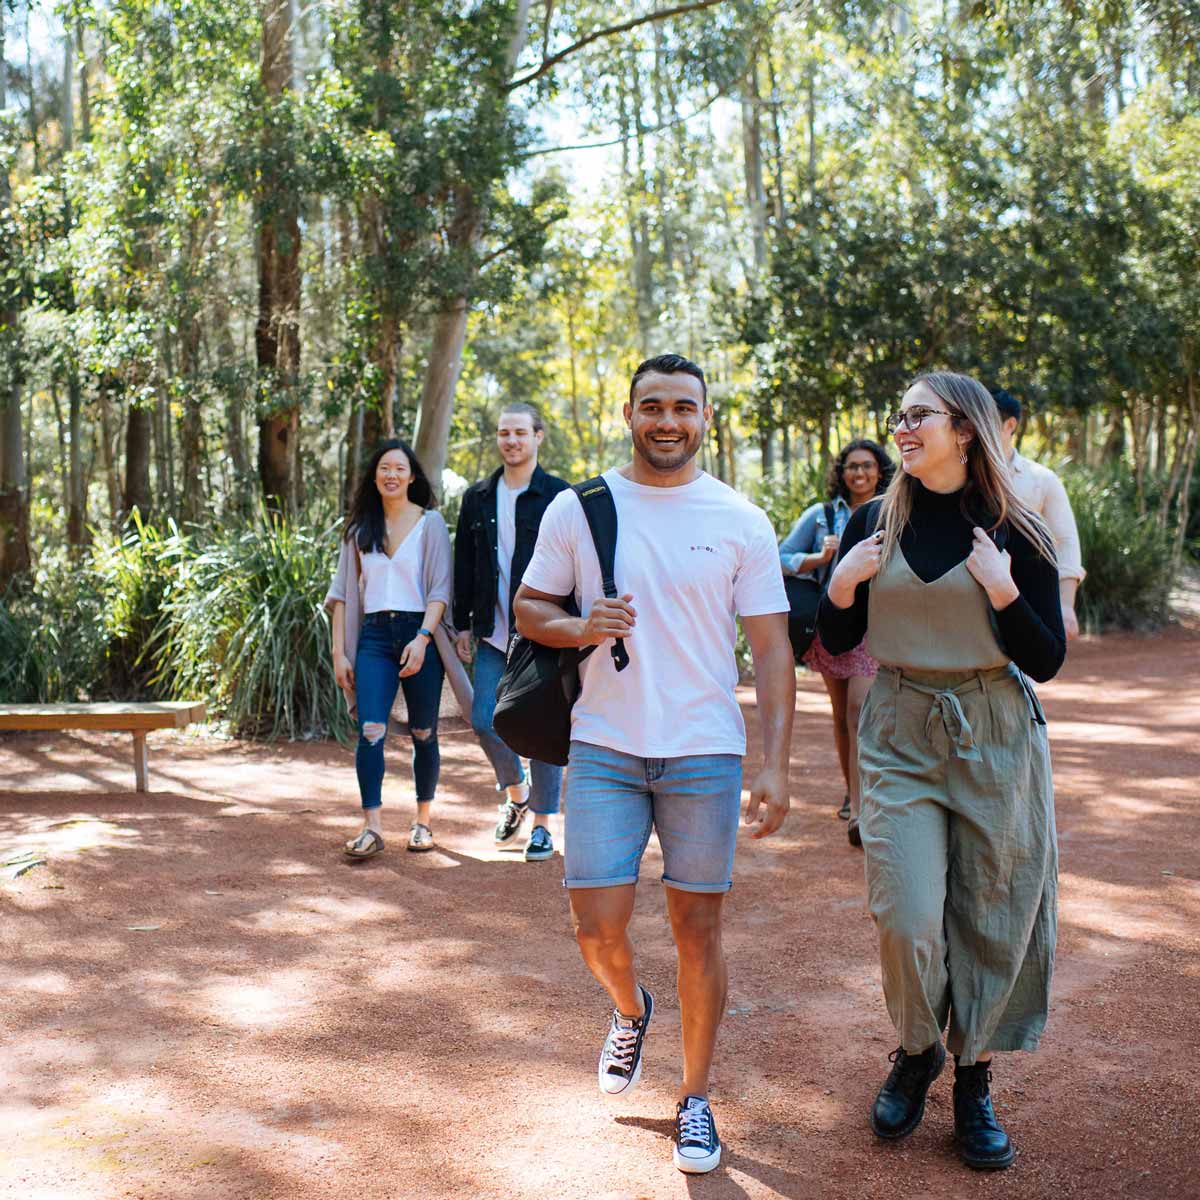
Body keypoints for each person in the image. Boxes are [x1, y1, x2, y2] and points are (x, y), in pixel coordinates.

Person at [513, 353, 795, 1176]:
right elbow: (530, 607)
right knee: (595, 925)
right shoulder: (581, 507)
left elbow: (773, 650)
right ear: (628, 413)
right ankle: (631, 1009)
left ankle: (697, 1099)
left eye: (683, 406)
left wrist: (773, 763)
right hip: (603, 745)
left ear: (707, 417)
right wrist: (578, 626)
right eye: (652, 406)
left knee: (696, 928)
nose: (667, 420)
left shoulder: (741, 517)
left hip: (706, 751)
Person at [818, 371, 1064, 1172]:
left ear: (965, 429)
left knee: (991, 912)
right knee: (907, 910)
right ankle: (918, 1048)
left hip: (993, 725)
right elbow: (839, 627)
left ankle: (974, 1078)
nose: (900, 428)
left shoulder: (1013, 529)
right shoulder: (871, 515)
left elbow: (1046, 657)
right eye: (897, 415)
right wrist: (843, 584)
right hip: (897, 724)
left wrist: (1002, 592)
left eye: (917, 415)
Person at [453, 403, 570, 860]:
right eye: (504, 433)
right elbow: (465, 561)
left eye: (520, 432)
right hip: (492, 630)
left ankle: (542, 825)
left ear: (538, 436)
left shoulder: (560, 496)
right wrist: (462, 623)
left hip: (542, 631)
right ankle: (516, 792)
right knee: (483, 717)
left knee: (542, 725)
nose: (511, 441)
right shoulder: (478, 496)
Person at [327, 440, 454, 856]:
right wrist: (338, 653)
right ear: (375, 476)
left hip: (420, 633)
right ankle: (373, 828)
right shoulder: (359, 529)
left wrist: (422, 639)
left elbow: (439, 590)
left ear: (412, 476)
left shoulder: (431, 523)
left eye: (400, 468)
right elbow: (342, 595)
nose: (392, 474)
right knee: (370, 730)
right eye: (384, 467)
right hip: (375, 638)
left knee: (423, 732)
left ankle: (422, 822)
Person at [779, 439, 893, 847]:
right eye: (851, 466)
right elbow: (781, 556)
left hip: (874, 624)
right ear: (841, 472)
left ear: (880, 469)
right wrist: (818, 559)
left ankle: (862, 810)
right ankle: (853, 791)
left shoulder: (896, 509)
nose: (859, 473)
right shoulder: (822, 515)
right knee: (841, 715)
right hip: (830, 622)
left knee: (858, 709)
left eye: (866, 466)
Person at [992, 388, 1086, 639]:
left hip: (1025, 603)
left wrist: (1066, 605)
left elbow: (1065, 541)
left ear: (1009, 425)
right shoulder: (957, 475)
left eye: (986, 420)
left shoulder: (1042, 480)